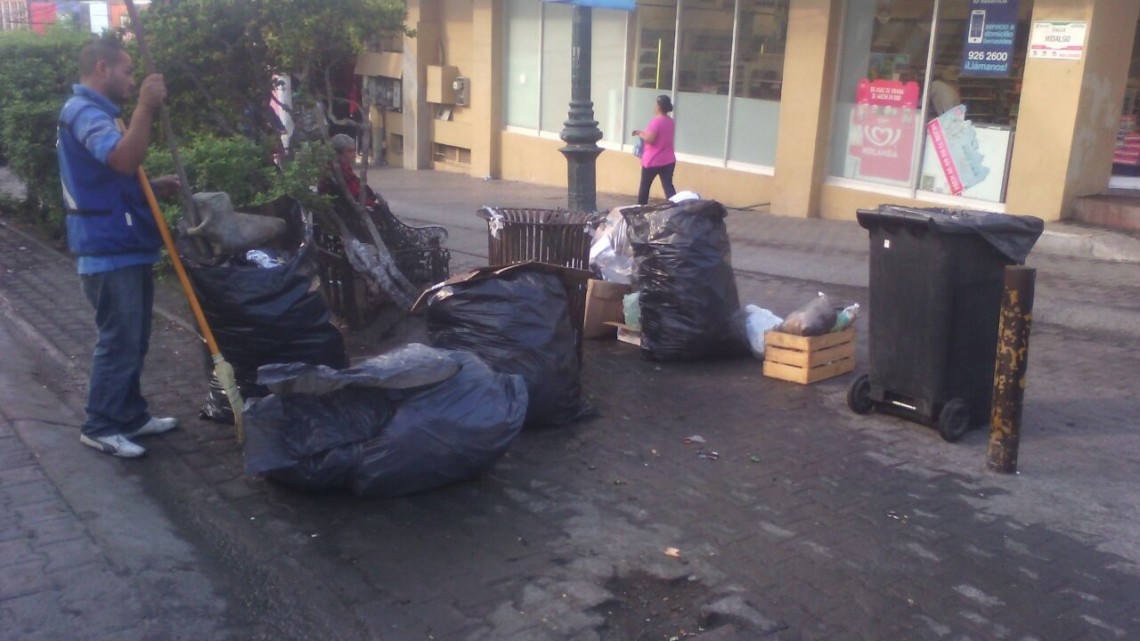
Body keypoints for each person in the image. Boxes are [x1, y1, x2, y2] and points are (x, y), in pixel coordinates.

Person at [57, 38, 181, 458]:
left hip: (125, 243)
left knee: (135, 339)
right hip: (107, 248)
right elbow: (122, 161)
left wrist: (151, 188)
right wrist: (145, 107)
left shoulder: (103, 116)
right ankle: (100, 424)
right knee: (119, 340)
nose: (132, 81)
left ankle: (129, 415)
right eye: (126, 72)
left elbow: (116, 176)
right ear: (100, 68)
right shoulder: (83, 113)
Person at [632, 94, 677, 206]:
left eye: (656, 105)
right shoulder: (670, 121)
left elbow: (650, 139)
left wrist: (640, 133)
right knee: (668, 187)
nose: (654, 107)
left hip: (652, 161)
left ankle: (640, 210)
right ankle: (676, 207)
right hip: (668, 160)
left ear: (658, 107)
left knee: (645, 187)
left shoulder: (656, 122)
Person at [320, 133, 379, 209]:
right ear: (338, 154)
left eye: (354, 150)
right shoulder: (339, 172)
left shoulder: (342, 169)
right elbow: (355, 195)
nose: (354, 155)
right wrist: (374, 205)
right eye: (350, 151)